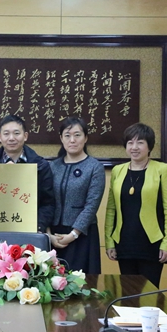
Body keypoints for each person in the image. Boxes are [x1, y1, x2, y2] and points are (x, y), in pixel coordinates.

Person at [104, 122, 167, 288]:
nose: (134, 147)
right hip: (124, 242)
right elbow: (111, 210)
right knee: (127, 292)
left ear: (149, 146)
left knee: (149, 294)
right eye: (130, 143)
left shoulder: (162, 170)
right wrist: (109, 242)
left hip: (151, 242)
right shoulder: (118, 171)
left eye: (140, 142)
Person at [48, 117, 105, 274]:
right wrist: (48, 234)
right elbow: (45, 201)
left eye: (77, 135)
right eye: (67, 135)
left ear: (85, 138)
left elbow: (91, 205)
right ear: (61, 138)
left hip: (82, 235)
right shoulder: (52, 166)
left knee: (81, 282)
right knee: (52, 281)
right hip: (54, 234)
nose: (72, 140)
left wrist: (73, 234)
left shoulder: (95, 167)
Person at [0, 114, 55, 234]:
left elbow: (48, 203)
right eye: (6, 134)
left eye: (16, 133)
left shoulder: (41, 166)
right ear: (0, 137)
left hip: (30, 230)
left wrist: (37, 226)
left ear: (25, 136)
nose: (11, 138)